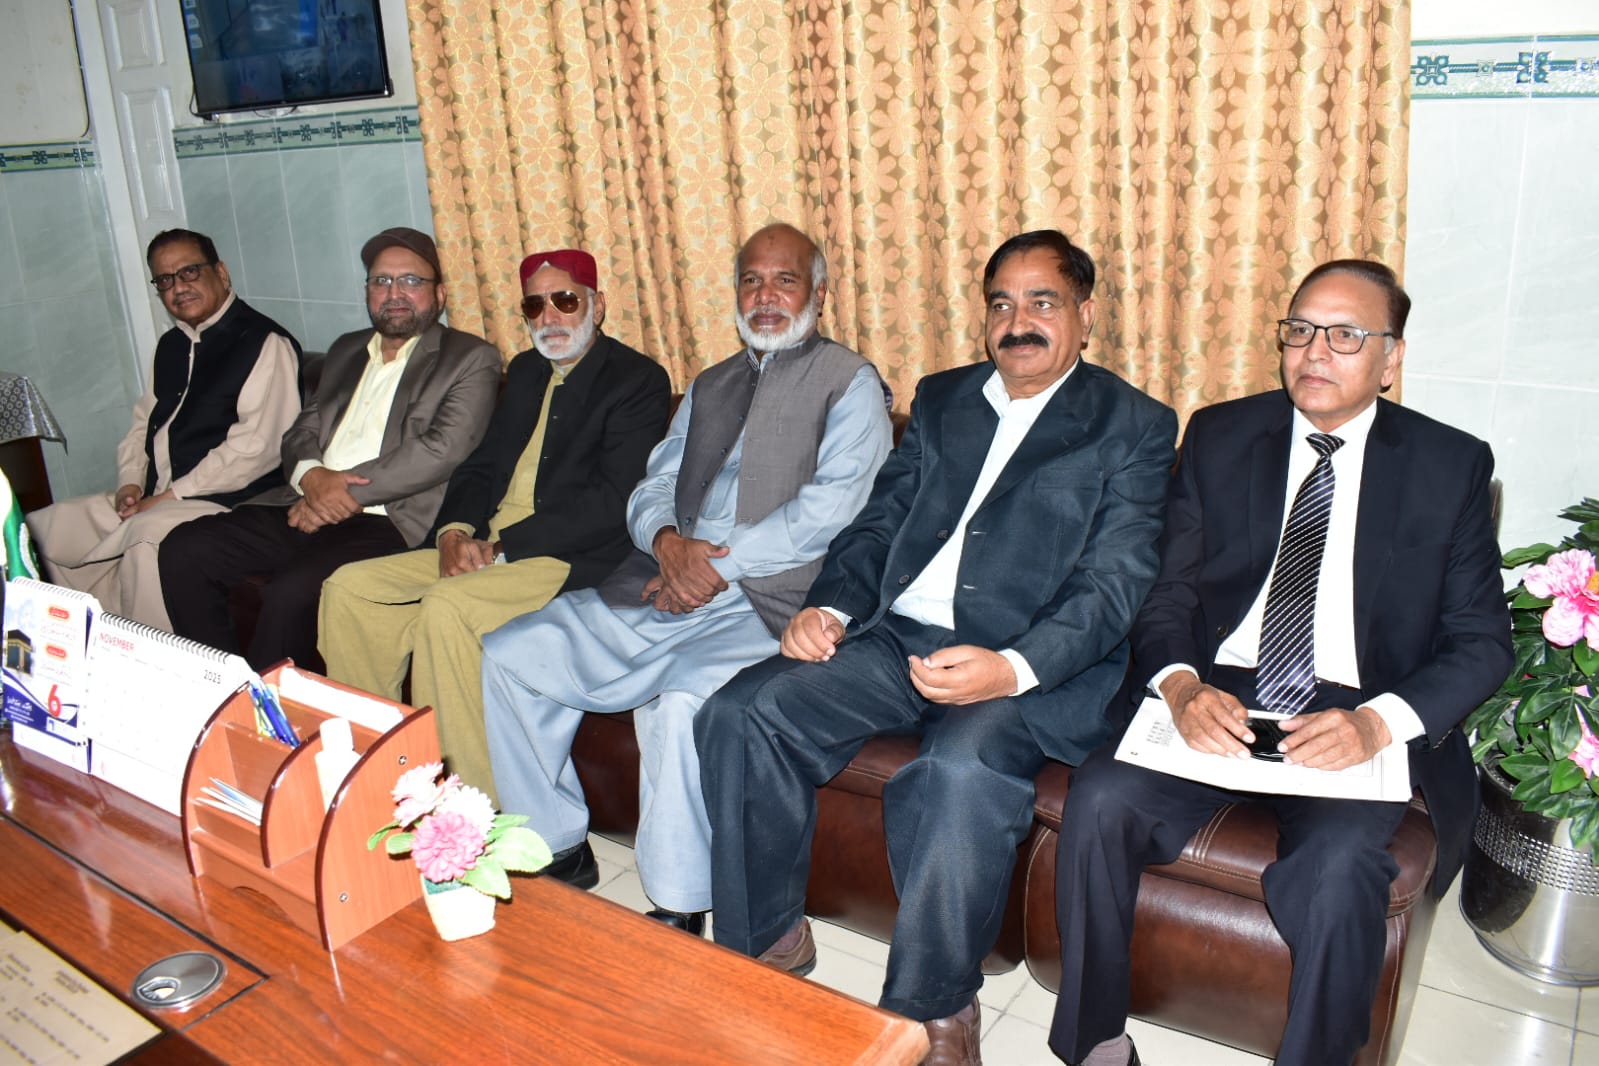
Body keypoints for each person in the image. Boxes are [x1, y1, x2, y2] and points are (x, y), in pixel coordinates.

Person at [695, 230, 1177, 1065]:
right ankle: (763, 939)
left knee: (958, 770)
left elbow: (1114, 583)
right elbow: (878, 522)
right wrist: (829, 607)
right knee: (740, 711)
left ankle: (934, 1005)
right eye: (1000, 304)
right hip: (899, 639)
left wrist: (1012, 667)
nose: (1017, 322)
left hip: (1030, 663)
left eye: (1042, 302)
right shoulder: (944, 398)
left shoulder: (1133, 425)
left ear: (1085, 315)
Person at [1046, 260, 1513, 1066]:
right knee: (1100, 798)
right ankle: (1094, 1042)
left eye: (1344, 335)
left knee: (1336, 867)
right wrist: (1180, 686)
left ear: (1391, 358)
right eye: (1299, 330)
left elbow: (1481, 642)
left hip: (1353, 710)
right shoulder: (1222, 435)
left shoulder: (1449, 466)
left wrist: (1375, 725)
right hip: (1220, 690)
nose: (1314, 352)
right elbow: (1168, 592)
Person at [481, 223, 893, 935]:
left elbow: (832, 511)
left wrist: (709, 565)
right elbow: (653, 483)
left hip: (770, 598)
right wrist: (667, 543)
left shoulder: (850, 382)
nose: (765, 296)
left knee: (680, 701)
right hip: (666, 580)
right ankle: (556, 843)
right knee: (512, 651)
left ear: (819, 295)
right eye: (750, 281)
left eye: (785, 280)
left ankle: (678, 901)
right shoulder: (711, 382)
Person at [318, 249, 671, 795]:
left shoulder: (636, 379)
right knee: (349, 589)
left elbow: (613, 501)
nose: (549, 317)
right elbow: (480, 466)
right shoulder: (526, 371)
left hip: (562, 556)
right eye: (535, 305)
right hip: (489, 543)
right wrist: (454, 533)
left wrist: (501, 548)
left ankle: (468, 806)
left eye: (565, 300)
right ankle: (377, 777)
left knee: (447, 606)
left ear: (597, 307)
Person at [159, 227, 501, 669]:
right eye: (381, 281)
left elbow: (441, 450)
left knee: (292, 592)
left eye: (411, 281)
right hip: (303, 502)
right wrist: (312, 478)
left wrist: (340, 493)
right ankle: (218, 682)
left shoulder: (470, 358)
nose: (394, 293)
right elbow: (300, 431)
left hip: (389, 520)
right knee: (184, 549)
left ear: (439, 294)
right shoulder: (347, 349)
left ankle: (271, 710)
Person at [27, 229, 300, 628]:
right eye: (165, 280)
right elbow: (144, 422)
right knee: (42, 529)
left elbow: (257, 448)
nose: (178, 287)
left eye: (190, 272)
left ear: (221, 273)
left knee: (145, 537)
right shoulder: (171, 345)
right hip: (158, 496)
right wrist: (130, 482)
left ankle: (144, 653)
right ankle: (83, 636)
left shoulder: (264, 342)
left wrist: (170, 496)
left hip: (226, 503)